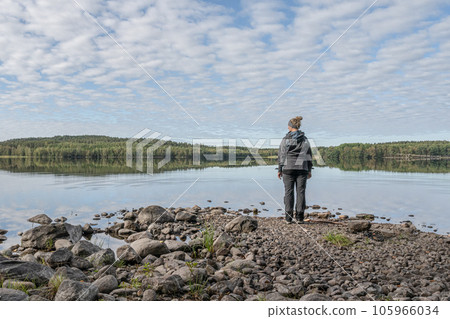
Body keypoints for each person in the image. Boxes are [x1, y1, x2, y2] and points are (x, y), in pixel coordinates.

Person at [277, 116, 313, 224]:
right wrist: (309, 169)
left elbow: (281, 155)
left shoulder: (285, 139)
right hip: (302, 168)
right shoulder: (305, 139)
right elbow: (309, 155)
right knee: (301, 192)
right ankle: (300, 218)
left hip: (288, 168)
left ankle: (288, 218)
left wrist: (279, 169)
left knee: (289, 192)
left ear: (290, 127)